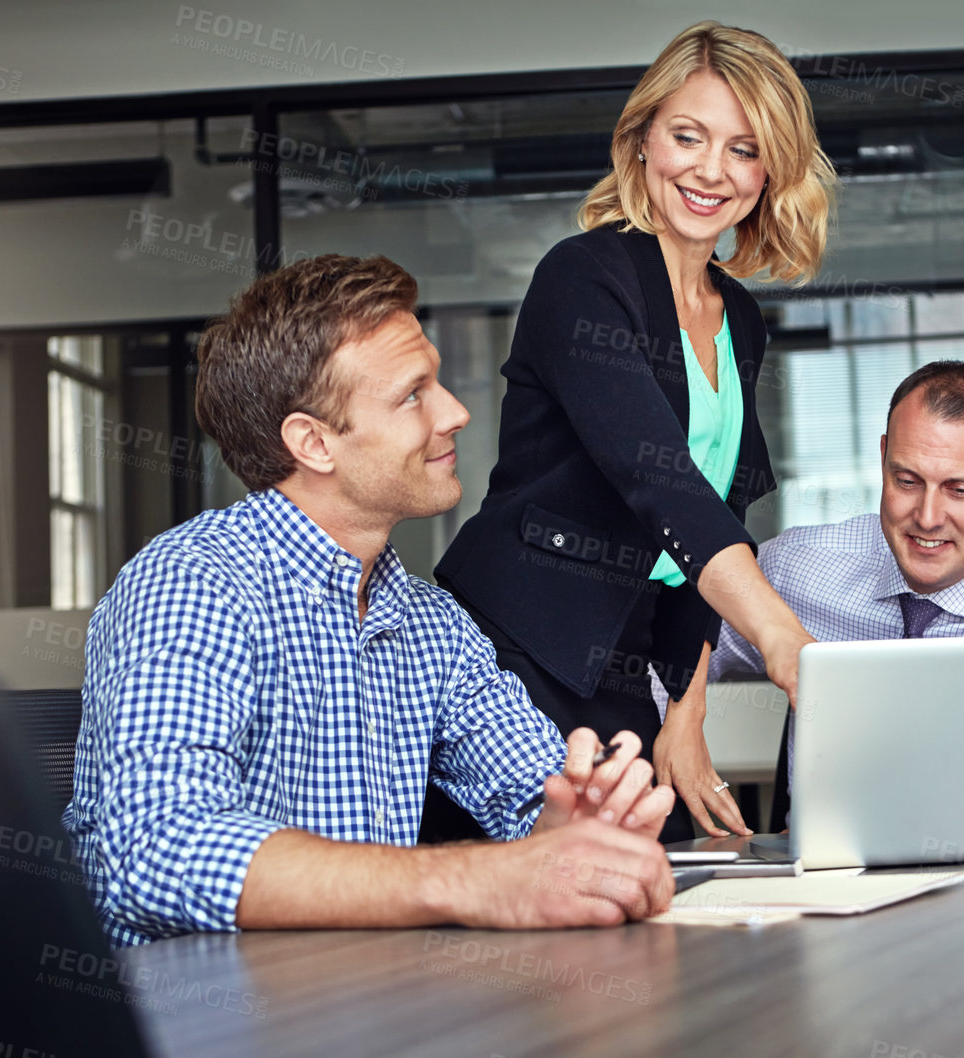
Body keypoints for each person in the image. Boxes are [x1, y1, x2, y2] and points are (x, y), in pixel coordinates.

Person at [63, 254, 678, 947]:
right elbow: (155, 851)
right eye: (414, 394)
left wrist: (575, 826)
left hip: (369, 1007)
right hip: (200, 1027)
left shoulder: (430, 622)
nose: (455, 412)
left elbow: (532, 794)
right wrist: (476, 880)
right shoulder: (193, 584)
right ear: (313, 443)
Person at [435, 20, 837, 842]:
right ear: (643, 138)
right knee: (566, 896)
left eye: (744, 149)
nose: (710, 171)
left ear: (770, 172)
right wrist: (777, 633)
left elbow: (711, 522)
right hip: (519, 642)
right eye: (688, 136)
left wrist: (685, 717)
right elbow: (664, 487)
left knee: (666, 874)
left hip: (625, 653)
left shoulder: (740, 318)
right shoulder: (582, 278)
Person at [694, 360, 964, 832]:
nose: (927, 517)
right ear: (883, 457)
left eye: (959, 490)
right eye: (907, 481)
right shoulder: (795, 568)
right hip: (828, 881)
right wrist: (684, 721)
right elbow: (666, 646)